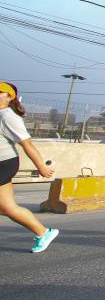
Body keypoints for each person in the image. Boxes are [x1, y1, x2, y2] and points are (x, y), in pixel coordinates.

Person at [0, 82, 59, 253]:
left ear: (9, 97)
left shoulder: (8, 116)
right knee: (7, 208)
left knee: (7, 208)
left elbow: (28, 145)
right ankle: (43, 232)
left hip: (4, 164)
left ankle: (43, 232)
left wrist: (41, 167)